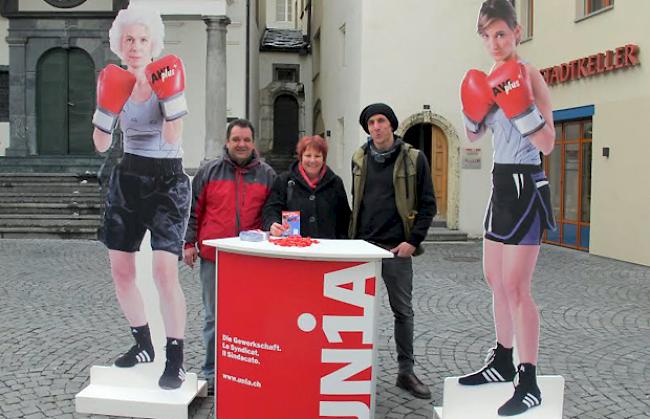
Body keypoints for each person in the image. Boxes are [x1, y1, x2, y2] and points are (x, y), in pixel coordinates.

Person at [458, 0, 556, 415]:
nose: (494, 42)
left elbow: (548, 143)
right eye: (486, 35)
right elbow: (473, 139)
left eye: (500, 33)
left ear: (516, 32)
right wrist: (472, 109)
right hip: (500, 182)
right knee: (494, 280)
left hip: (526, 182)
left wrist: (521, 108)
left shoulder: (529, 75)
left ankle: (528, 380)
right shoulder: (488, 78)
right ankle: (501, 361)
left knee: (517, 288)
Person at [92, 5, 191, 390]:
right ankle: (143, 344)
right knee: (122, 271)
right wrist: (106, 109)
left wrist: (170, 103)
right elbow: (101, 145)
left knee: (164, 271)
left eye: (142, 39)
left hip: (168, 180)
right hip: (128, 177)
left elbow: (172, 137)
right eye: (129, 39)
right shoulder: (112, 80)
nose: (135, 46)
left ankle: (176, 356)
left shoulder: (166, 75)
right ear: (120, 44)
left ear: (153, 43)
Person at [349, 103, 436, 399]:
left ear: (392, 125)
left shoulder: (414, 158)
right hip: (363, 250)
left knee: (403, 313)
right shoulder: (359, 158)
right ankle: (355, 371)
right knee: (356, 313)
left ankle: (405, 372)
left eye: (381, 120)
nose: (376, 126)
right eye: (371, 122)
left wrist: (413, 241)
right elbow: (356, 202)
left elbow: (428, 204)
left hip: (397, 250)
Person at [183, 119, 276, 392]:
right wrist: (189, 242)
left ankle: (248, 368)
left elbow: (272, 213)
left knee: (251, 315)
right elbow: (193, 209)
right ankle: (211, 371)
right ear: (227, 141)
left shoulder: (267, 175)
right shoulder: (209, 172)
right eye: (236, 139)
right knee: (214, 317)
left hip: (251, 258)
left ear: (253, 142)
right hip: (214, 256)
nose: (241, 144)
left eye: (246, 139)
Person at [262, 135, 350, 239]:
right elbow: (271, 209)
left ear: (324, 159)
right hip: (293, 247)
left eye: (317, 156)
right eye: (308, 155)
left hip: (326, 249)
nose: (312, 160)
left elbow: (344, 218)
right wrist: (273, 224)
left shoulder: (335, 183)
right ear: (300, 157)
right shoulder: (285, 181)